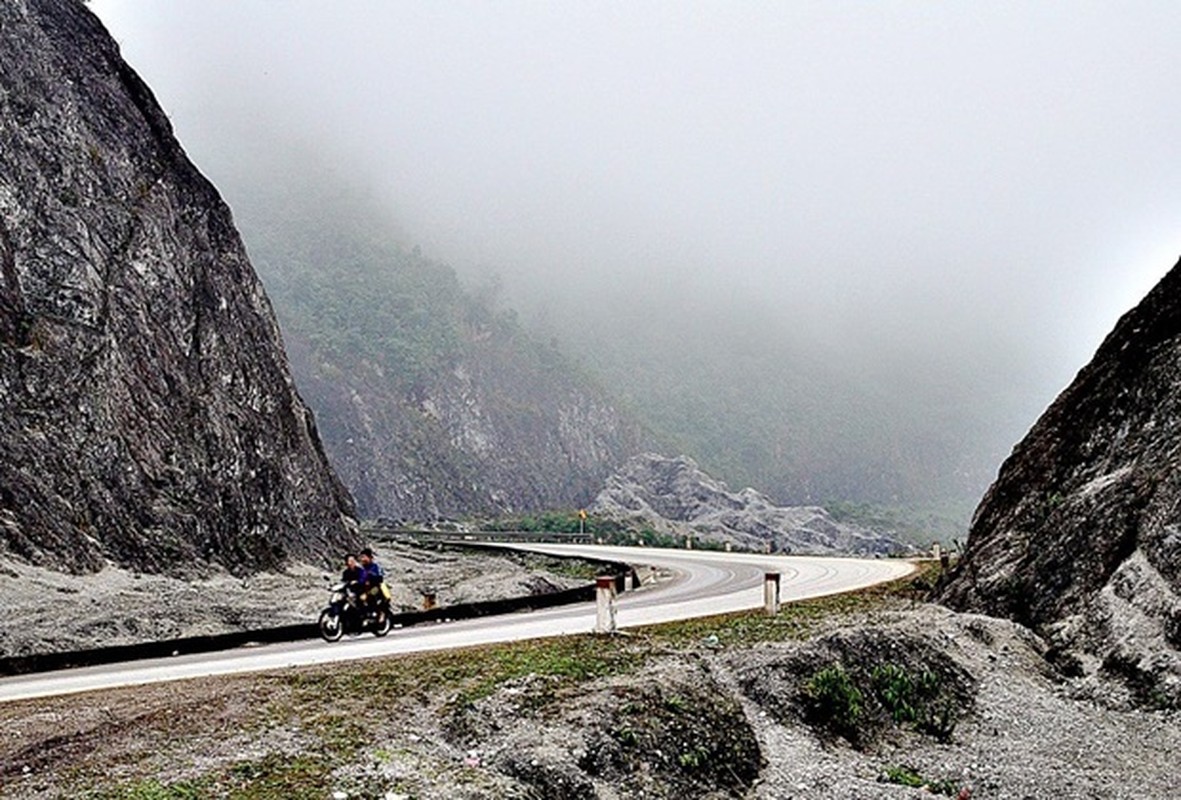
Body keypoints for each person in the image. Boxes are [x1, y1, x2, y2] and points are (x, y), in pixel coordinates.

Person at [357, 546, 388, 620]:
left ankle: (376, 612)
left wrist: (371, 579)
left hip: (375, 587)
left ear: (370, 558)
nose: (362, 559)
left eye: (364, 557)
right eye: (361, 557)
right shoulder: (362, 568)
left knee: (370, 595)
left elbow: (380, 578)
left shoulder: (376, 567)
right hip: (364, 588)